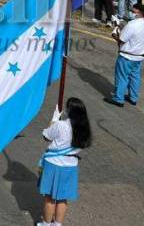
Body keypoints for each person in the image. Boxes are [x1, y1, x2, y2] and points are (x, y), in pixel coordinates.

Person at [36, 97, 92, 226]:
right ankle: (57, 224)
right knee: (62, 198)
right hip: (70, 166)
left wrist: (55, 119)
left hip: (53, 164)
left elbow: (46, 136)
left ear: (69, 111)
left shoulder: (61, 126)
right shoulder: (84, 128)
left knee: (49, 197)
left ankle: (46, 224)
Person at [105, 3, 144, 107]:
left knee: (122, 77)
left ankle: (118, 99)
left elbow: (121, 40)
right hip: (139, 57)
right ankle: (133, 97)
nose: (131, 13)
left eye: (133, 11)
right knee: (135, 77)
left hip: (127, 57)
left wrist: (114, 34)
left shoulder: (132, 25)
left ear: (139, 13)